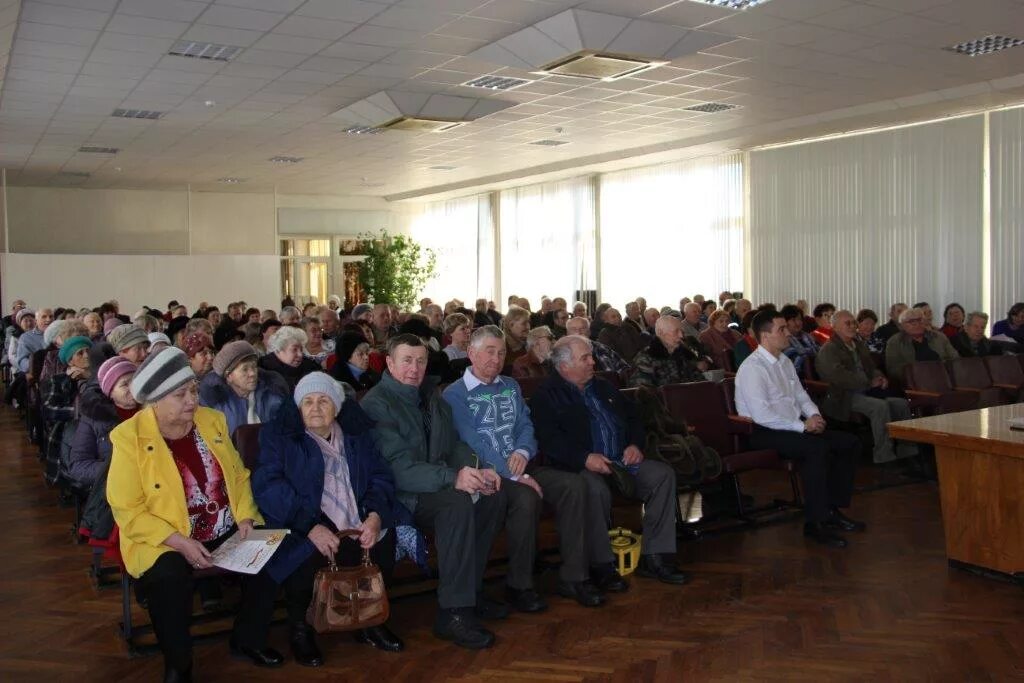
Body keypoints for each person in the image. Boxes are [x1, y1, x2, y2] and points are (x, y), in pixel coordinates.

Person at [106, 348, 280, 679]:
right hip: (164, 536)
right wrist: (180, 542)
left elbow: (238, 476)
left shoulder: (210, 421)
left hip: (222, 525)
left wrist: (245, 518)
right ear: (155, 400)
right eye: (181, 394)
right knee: (169, 578)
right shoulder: (129, 438)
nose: (192, 400)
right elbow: (127, 509)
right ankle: (179, 663)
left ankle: (247, 639)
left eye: (194, 390)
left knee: (267, 552)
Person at [361, 335, 507, 649]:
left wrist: (477, 469)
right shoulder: (377, 403)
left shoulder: (432, 398)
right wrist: (454, 477)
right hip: (400, 496)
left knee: (494, 498)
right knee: (455, 504)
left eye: (421, 361)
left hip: (435, 484)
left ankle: (470, 591)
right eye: (407, 361)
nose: (415, 369)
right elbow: (398, 469)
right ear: (389, 363)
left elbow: (454, 445)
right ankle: (452, 614)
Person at [443, 327, 604, 609]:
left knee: (573, 485)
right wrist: (515, 475)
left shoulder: (510, 385)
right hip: (489, 472)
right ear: (471, 354)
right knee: (526, 497)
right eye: (489, 351)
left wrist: (522, 451)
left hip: (524, 463)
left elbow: (525, 426)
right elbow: (474, 442)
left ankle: (574, 577)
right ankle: (519, 585)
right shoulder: (455, 394)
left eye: (502, 351)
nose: (497, 358)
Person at [252, 372, 404, 665]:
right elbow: (269, 486)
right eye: (307, 402)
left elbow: (380, 476)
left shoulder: (356, 436)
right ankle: (301, 629)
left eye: (323, 401)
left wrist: (374, 515)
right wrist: (310, 526)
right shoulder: (280, 437)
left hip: (355, 514)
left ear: (336, 406)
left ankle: (369, 618)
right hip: (300, 520)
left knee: (384, 537)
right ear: (298, 407)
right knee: (303, 551)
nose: (315, 408)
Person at [531, 335, 688, 587]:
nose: (593, 362)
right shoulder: (547, 396)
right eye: (585, 358)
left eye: (591, 356)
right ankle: (602, 565)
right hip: (582, 466)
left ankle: (656, 556)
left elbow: (634, 418)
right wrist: (584, 458)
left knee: (662, 475)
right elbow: (550, 441)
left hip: (622, 460)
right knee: (594, 489)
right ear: (564, 367)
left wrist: (635, 444)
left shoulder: (603, 386)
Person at [734, 310, 863, 549]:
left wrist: (814, 415)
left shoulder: (783, 361)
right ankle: (815, 523)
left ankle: (831, 508)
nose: (788, 333)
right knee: (817, 448)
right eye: (781, 329)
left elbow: (801, 396)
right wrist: (802, 426)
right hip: (762, 432)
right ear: (765, 336)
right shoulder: (752, 368)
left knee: (849, 443)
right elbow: (762, 416)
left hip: (792, 427)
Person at [815, 311, 913, 464]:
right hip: (843, 395)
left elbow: (871, 367)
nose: (853, 326)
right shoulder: (829, 349)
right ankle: (884, 456)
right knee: (879, 407)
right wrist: (868, 382)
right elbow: (839, 377)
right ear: (835, 327)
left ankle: (908, 451)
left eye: (854, 322)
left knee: (901, 404)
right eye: (848, 323)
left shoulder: (858, 345)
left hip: (867, 391)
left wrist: (879, 377)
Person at [68, 356, 139, 491]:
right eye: (125, 384)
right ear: (110, 392)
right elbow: (78, 465)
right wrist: (119, 470)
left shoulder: (152, 409)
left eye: (136, 380)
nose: (133, 387)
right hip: (114, 488)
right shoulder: (94, 418)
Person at [199, 341, 289, 436]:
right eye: (245, 369)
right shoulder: (218, 405)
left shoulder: (272, 394)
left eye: (254, 367)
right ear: (229, 376)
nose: (252, 373)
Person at [884, 308, 959, 388]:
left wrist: (943, 370)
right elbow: (893, 369)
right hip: (915, 383)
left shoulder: (939, 337)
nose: (917, 324)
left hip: (944, 378)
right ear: (902, 325)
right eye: (911, 321)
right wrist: (917, 372)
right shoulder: (895, 342)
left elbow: (955, 359)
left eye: (920, 320)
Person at [631, 315, 707, 387]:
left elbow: (700, 382)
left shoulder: (684, 353)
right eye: (676, 331)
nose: (681, 335)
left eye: (681, 331)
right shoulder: (645, 358)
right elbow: (643, 392)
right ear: (661, 333)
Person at [259, 326, 321, 392]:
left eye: (301, 349)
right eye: (294, 349)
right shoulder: (263, 369)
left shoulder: (311, 367)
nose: (300, 354)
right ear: (279, 349)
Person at [566, 317, 630, 375]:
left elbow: (625, 368)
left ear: (589, 332)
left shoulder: (602, 348)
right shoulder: (561, 352)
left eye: (583, 328)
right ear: (567, 333)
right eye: (574, 329)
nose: (579, 332)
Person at [780, 304, 818, 375]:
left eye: (799, 319)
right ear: (785, 322)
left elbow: (818, 353)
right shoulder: (783, 339)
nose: (798, 323)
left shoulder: (807, 336)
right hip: (797, 377)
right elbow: (801, 355)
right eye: (793, 320)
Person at [500, 306, 530, 373]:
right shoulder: (501, 346)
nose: (528, 327)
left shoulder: (529, 343)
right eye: (524, 323)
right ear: (511, 325)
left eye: (529, 322)